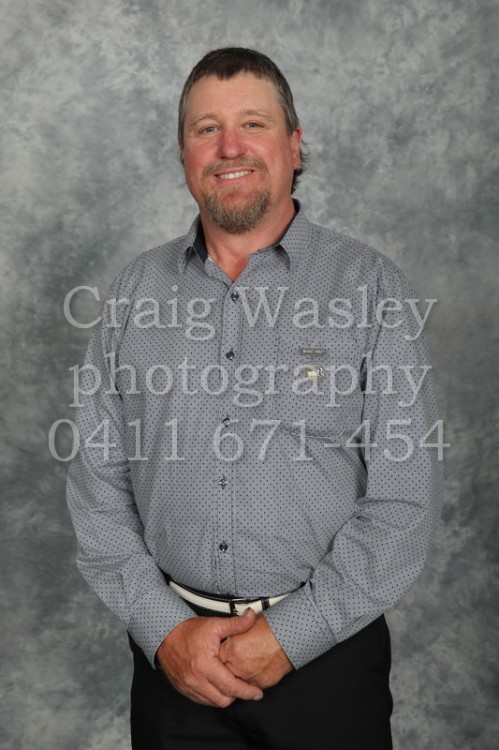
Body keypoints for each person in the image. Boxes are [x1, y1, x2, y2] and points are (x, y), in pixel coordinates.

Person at [67, 47, 443, 749]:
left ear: (294, 146)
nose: (229, 147)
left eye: (253, 124)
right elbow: (97, 486)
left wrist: (290, 635)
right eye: (206, 129)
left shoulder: (370, 288)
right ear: (184, 154)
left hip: (328, 668)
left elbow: (404, 500)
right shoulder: (133, 294)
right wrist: (165, 631)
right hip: (175, 671)